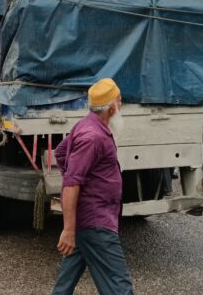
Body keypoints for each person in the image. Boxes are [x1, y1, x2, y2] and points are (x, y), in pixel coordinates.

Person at [52, 78, 133, 295]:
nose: (121, 106)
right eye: (120, 101)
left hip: (86, 220)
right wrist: (68, 230)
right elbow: (71, 183)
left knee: (64, 286)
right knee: (119, 286)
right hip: (96, 222)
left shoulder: (87, 125)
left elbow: (61, 153)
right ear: (112, 107)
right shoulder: (93, 137)